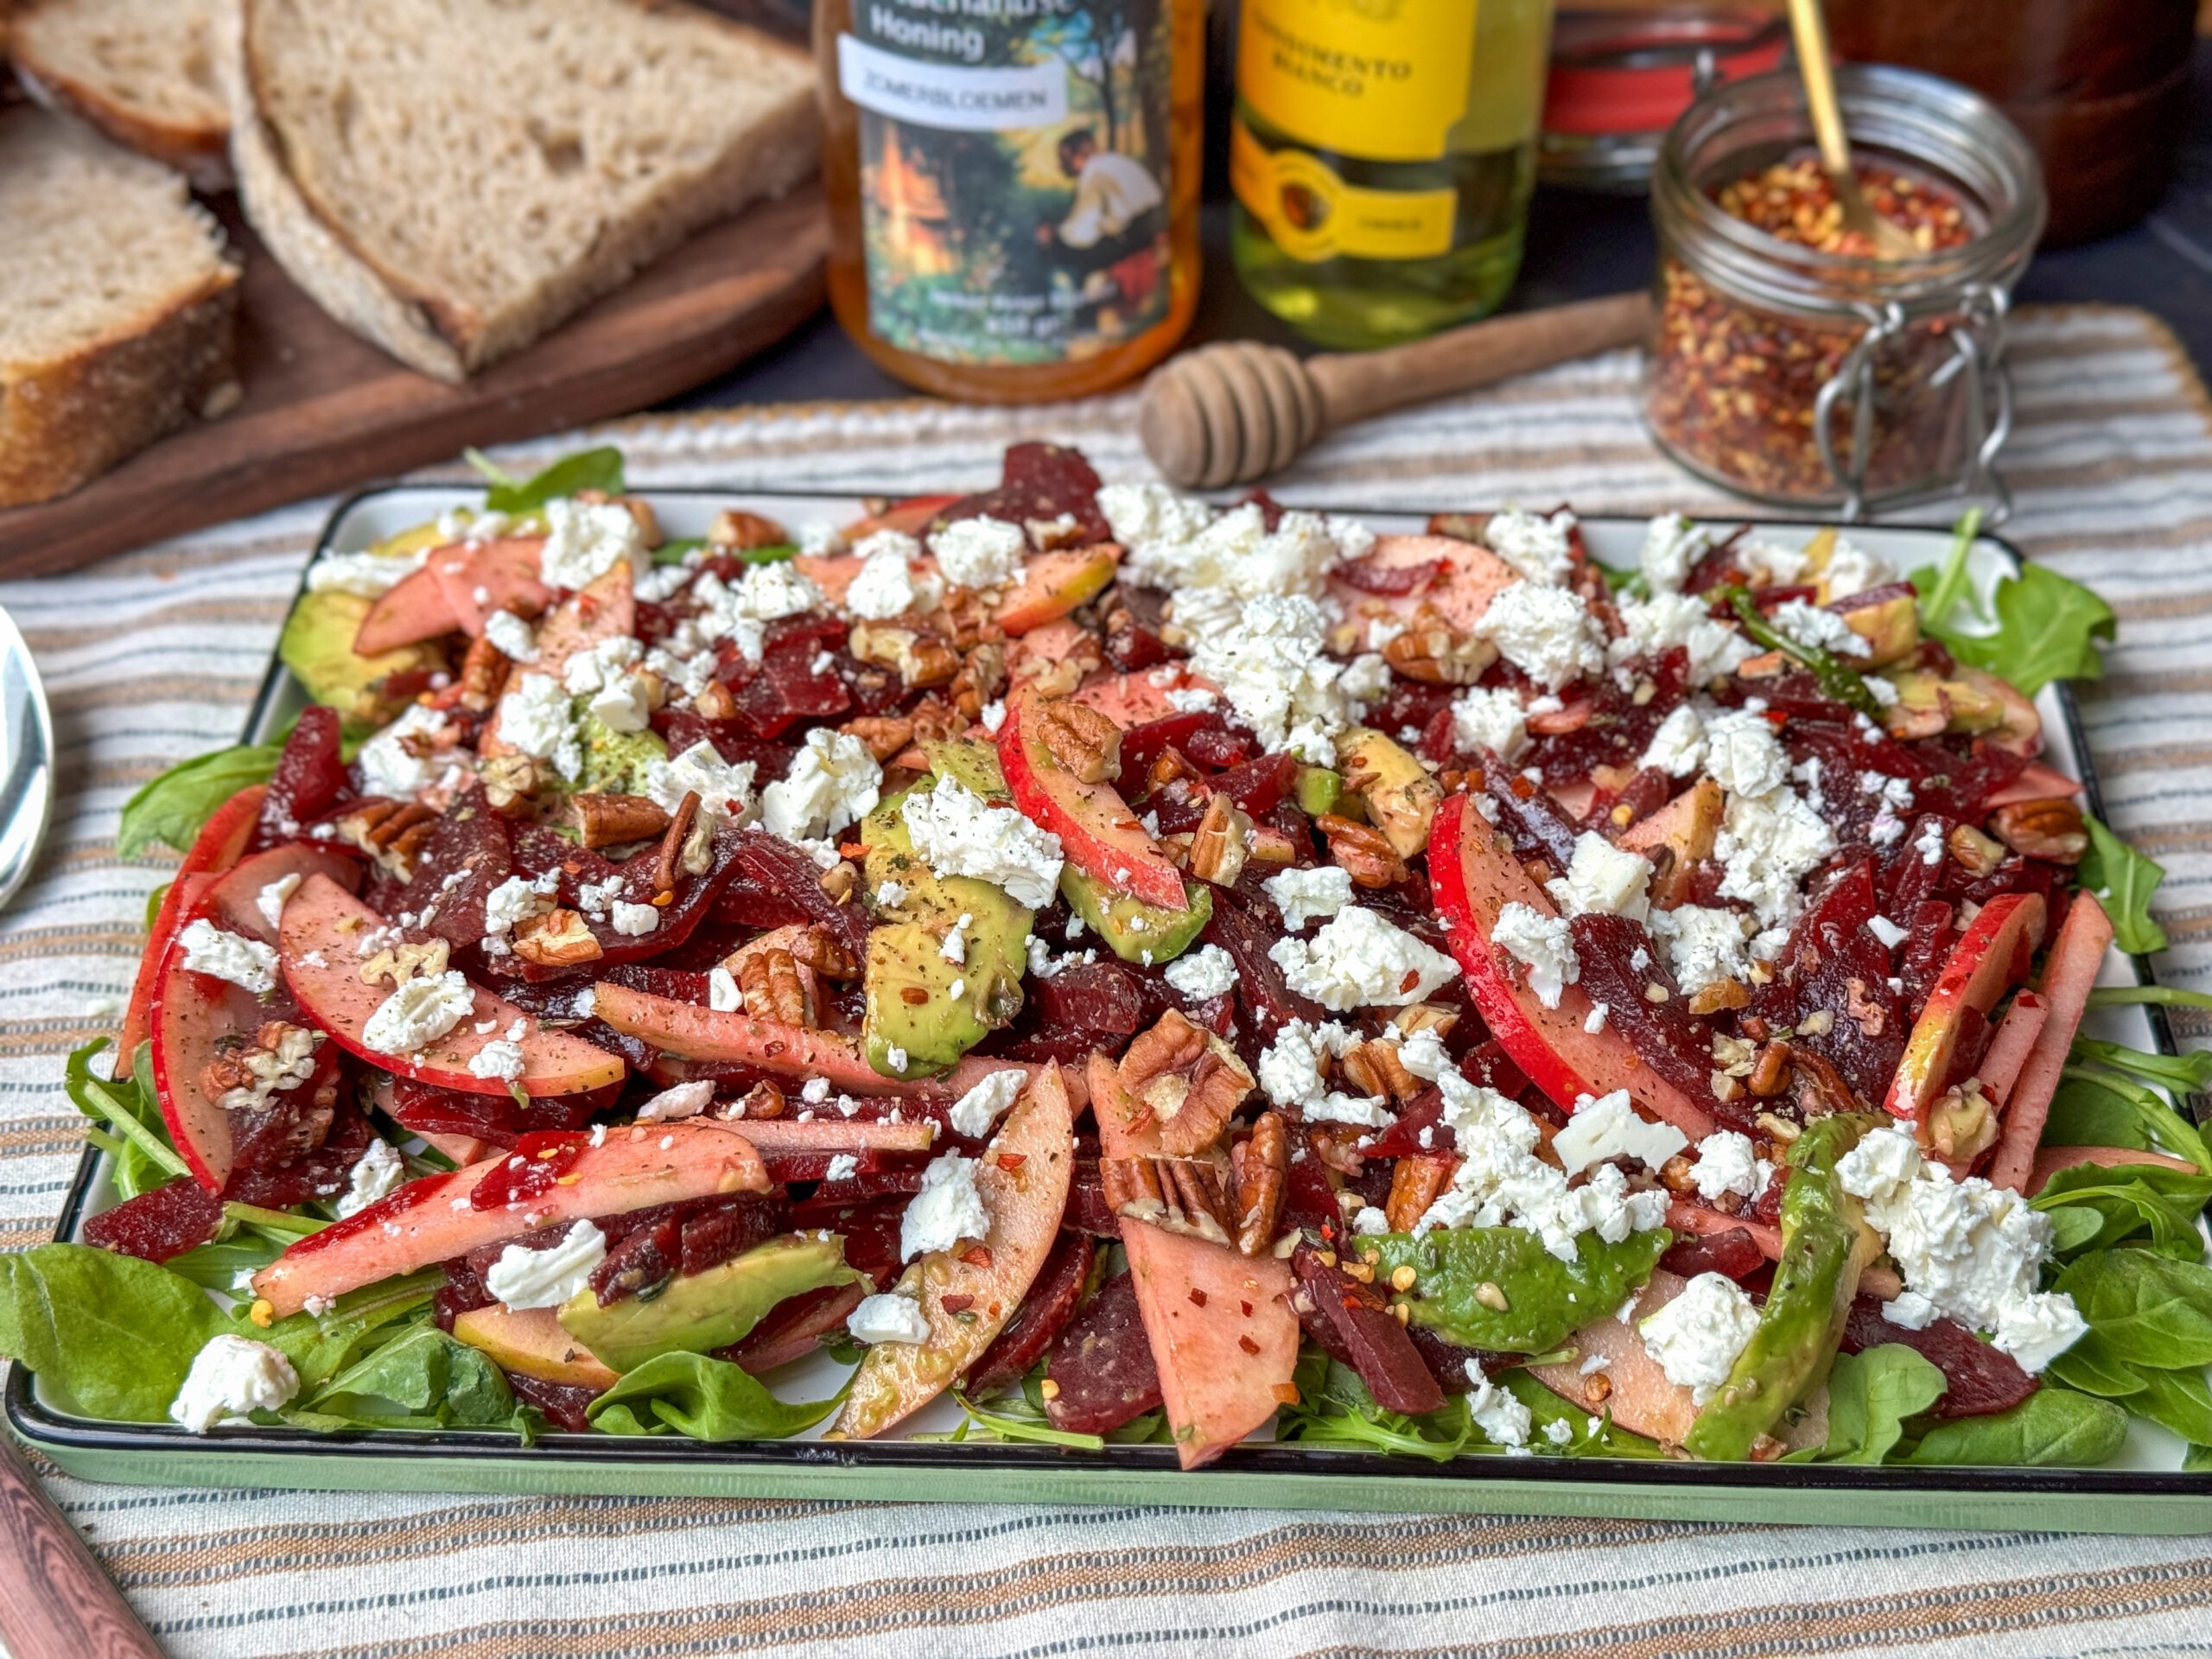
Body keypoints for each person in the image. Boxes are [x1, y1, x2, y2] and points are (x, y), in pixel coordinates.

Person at [1039, 127, 1166, 326]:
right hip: (1150, 227)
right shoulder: (1117, 162)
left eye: (1062, 158)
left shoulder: (1094, 173)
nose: (1059, 165)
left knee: (1062, 251)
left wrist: (1053, 237)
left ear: (1073, 155)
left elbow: (1081, 232)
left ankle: (1079, 316)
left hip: (1132, 241)